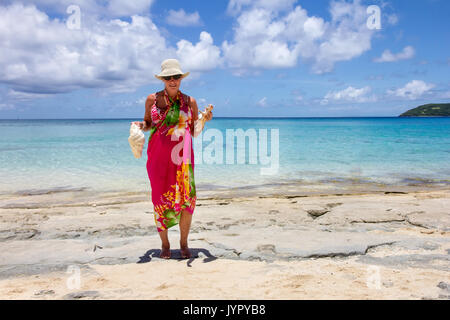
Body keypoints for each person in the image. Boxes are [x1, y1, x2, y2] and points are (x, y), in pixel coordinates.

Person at [132, 59, 212, 259]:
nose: (172, 80)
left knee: (187, 200)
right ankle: (165, 245)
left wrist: (204, 120)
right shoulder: (152, 99)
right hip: (158, 158)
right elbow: (149, 124)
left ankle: (184, 244)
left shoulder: (190, 102)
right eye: (168, 77)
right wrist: (140, 127)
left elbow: (193, 131)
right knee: (160, 199)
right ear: (163, 80)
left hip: (183, 158)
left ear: (180, 78)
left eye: (176, 77)